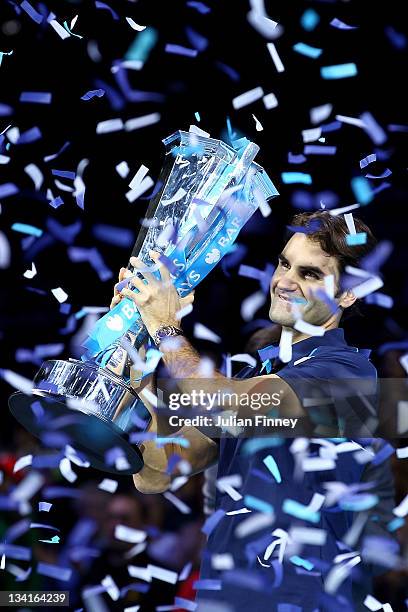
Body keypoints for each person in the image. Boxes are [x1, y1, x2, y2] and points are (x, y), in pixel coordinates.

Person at [115, 210, 397, 611]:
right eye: (284, 263)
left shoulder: (346, 373)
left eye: (310, 274)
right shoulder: (254, 373)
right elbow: (157, 473)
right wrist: (141, 360)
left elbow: (226, 403)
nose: (284, 281)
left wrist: (166, 328)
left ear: (347, 295)